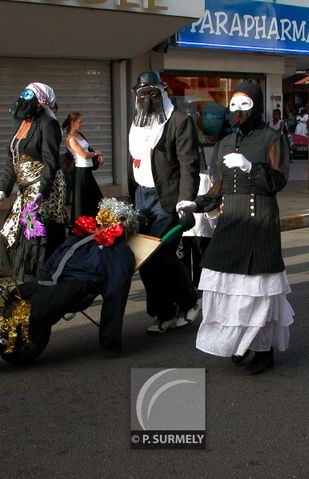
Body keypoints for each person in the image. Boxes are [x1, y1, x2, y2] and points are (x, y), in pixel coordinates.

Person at [177, 82, 294, 375]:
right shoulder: (224, 143)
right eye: (234, 105)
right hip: (231, 222)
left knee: (258, 293)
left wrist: (249, 168)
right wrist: (195, 204)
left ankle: (263, 351)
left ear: (256, 105)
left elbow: (277, 182)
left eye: (245, 105)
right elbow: (217, 189)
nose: (238, 111)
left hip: (259, 219)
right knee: (228, 289)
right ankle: (239, 342)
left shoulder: (272, 138)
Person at [0, 198, 138, 373]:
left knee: (32, 309)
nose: (101, 223)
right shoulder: (82, 237)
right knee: (10, 298)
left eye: (107, 220)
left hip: (77, 286)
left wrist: (110, 340)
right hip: (51, 280)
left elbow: (116, 292)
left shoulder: (119, 253)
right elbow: (56, 257)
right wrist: (41, 280)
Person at [127, 71, 201, 334]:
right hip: (141, 197)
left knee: (160, 254)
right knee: (142, 258)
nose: (147, 99)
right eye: (142, 94)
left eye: (153, 93)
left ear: (163, 92)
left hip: (167, 198)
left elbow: (189, 164)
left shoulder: (180, 121)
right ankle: (164, 311)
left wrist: (186, 202)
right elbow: (134, 163)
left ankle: (190, 300)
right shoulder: (137, 123)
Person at [0, 82, 67, 280]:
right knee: (10, 232)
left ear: (40, 101)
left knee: (33, 236)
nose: (23, 99)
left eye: (29, 95)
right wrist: (1, 192)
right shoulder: (20, 125)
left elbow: (51, 162)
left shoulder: (49, 125)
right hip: (24, 188)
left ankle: (39, 281)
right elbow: (12, 160)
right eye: (23, 94)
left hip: (44, 187)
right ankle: (28, 282)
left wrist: (42, 192)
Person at [179, 149, 216, 292]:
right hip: (199, 226)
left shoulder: (183, 176)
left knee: (187, 259)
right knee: (196, 259)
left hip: (190, 224)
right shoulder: (208, 177)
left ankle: (190, 289)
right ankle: (196, 288)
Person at [63, 112, 104, 220]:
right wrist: (96, 153)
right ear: (73, 122)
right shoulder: (71, 139)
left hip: (87, 170)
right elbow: (84, 155)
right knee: (81, 200)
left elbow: (88, 149)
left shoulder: (80, 135)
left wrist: (98, 155)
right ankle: (80, 226)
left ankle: (96, 222)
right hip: (80, 172)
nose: (82, 124)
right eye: (80, 121)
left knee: (95, 198)